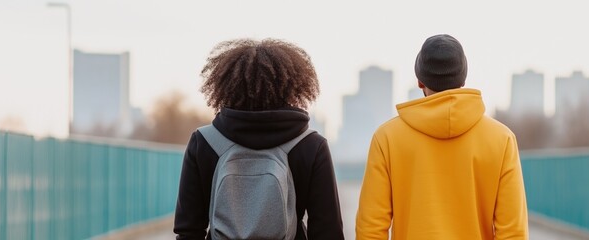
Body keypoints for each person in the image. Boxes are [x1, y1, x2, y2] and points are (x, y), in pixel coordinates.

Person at [356, 34, 528, 239]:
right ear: (463, 79)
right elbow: (513, 233)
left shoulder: (386, 139)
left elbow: (371, 229)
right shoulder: (502, 139)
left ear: (420, 81)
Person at [174, 39, 345, 240]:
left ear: (227, 86)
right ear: (292, 87)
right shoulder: (311, 145)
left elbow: (188, 230)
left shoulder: (204, 141)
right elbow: (328, 230)